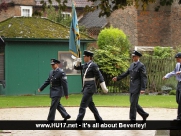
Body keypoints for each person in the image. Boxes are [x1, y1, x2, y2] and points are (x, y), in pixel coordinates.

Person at [112, 50, 149, 122]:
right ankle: (144, 114)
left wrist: (143, 88)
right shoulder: (132, 65)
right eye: (132, 56)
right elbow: (126, 73)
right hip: (132, 86)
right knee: (133, 102)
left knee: (133, 104)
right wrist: (117, 78)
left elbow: (143, 77)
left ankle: (132, 120)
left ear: (138, 57)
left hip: (137, 87)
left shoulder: (141, 66)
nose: (133, 57)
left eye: (134, 56)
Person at [74, 50, 108, 124]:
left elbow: (99, 75)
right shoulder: (85, 65)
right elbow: (76, 68)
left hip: (90, 87)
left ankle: (78, 122)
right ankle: (99, 121)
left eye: (85, 56)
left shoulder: (93, 65)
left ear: (89, 57)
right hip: (86, 87)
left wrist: (103, 87)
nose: (84, 58)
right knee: (91, 105)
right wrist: (77, 62)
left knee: (83, 104)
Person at [163, 52, 181, 120]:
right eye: (176, 59)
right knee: (178, 100)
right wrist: (166, 76)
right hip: (179, 83)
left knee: (180, 100)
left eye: (178, 59)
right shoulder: (177, 65)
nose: (177, 60)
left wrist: (180, 72)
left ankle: (179, 117)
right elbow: (174, 72)